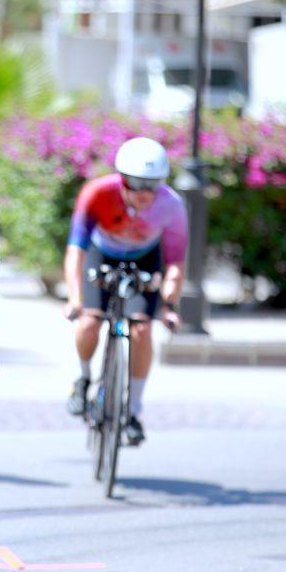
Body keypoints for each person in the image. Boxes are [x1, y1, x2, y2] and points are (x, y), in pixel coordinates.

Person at [63, 136, 187, 445]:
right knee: (89, 321)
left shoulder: (171, 205)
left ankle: (133, 411)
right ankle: (83, 379)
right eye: (136, 183)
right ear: (121, 178)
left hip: (145, 258)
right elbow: (76, 251)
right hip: (102, 254)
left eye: (152, 185)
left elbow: (175, 263)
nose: (144, 193)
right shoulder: (97, 193)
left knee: (142, 330)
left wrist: (168, 305)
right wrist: (75, 298)